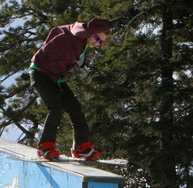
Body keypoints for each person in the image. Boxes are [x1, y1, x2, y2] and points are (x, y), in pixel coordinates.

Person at [30, 17, 128, 161]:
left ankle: (81, 147)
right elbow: (87, 28)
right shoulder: (77, 32)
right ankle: (45, 146)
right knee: (56, 108)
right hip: (41, 73)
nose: (96, 42)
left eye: (100, 41)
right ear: (90, 32)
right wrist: (109, 24)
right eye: (96, 37)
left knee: (75, 108)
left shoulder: (83, 47)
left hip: (56, 78)